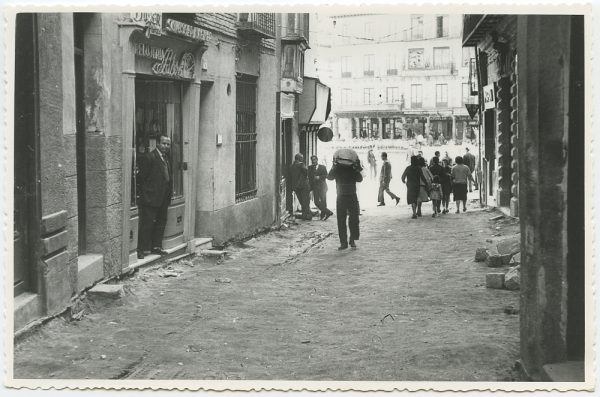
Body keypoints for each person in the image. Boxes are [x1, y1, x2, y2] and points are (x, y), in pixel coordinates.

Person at [137, 135, 173, 259]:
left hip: (164, 196)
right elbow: (142, 178)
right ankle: (142, 249)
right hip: (151, 197)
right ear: (157, 143)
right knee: (147, 223)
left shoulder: (167, 158)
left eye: (168, 144)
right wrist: (147, 193)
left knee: (161, 222)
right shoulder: (150, 157)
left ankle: (156, 246)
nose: (166, 146)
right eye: (163, 143)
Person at [327, 157, 363, 250]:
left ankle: (352, 239)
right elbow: (329, 177)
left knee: (354, 219)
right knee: (341, 220)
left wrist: (357, 168)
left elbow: (360, 179)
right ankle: (344, 243)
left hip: (350, 196)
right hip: (342, 196)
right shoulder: (337, 169)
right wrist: (333, 166)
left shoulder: (352, 168)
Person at [308, 155, 333, 221]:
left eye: (315, 159)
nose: (314, 161)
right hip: (315, 187)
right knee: (316, 202)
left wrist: (319, 177)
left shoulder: (322, 167)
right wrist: (310, 188)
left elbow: (326, 176)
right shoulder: (310, 168)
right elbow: (310, 178)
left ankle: (323, 215)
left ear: (317, 160)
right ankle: (328, 212)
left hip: (322, 187)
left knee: (323, 201)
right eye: (312, 160)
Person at [290, 153, 312, 220]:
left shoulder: (292, 166)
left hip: (296, 186)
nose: (302, 159)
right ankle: (307, 215)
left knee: (301, 201)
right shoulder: (301, 164)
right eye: (301, 158)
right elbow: (306, 172)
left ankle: (305, 214)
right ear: (299, 158)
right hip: (303, 186)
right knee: (305, 201)